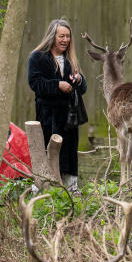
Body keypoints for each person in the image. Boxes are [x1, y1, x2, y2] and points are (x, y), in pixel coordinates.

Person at [27, 18, 88, 193]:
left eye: (68, 36)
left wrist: (79, 79)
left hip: (69, 118)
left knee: (69, 155)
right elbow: (34, 83)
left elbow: (83, 89)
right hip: (48, 116)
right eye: (61, 36)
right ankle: (43, 189)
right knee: (49, 152)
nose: (65, 40)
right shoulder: (37, 57)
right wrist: (57, 85)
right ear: (52, 37)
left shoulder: (70, 60)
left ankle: (71, 190)